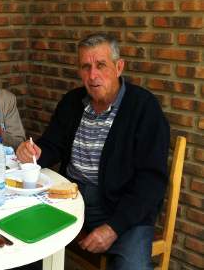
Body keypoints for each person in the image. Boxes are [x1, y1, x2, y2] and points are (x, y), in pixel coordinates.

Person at [16, 33, 169, 270]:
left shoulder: (144, 108)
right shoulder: (72, 101)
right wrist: (33, 153)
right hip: (70, 198)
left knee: (132, 267)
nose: (93, 75)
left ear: (119, 67)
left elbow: (151, 182)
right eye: (85, 67)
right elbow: (51, 146)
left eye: (100, 65)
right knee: (24, 244)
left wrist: (113, 227)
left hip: (123, 208)